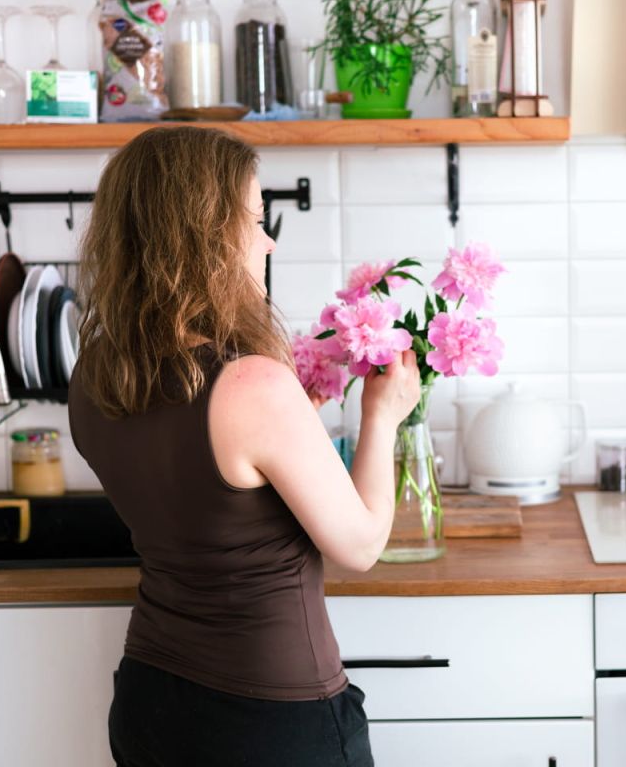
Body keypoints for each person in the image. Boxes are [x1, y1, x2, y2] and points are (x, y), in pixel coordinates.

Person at [68, 126, 420, 766]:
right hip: (270, 721)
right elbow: (362, 545)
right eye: (254, 221)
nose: (268, 241)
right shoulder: (251, 385)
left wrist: (287, 424)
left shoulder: (94, 373)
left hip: (151, 701)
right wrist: (383, 418)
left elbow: (197, 488)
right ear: (202, 235)